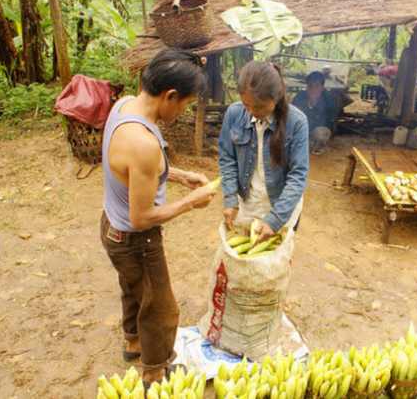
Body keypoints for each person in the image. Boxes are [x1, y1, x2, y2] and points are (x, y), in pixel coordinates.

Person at [100, 48, 217, 386]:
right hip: (136, 239)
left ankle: (133, 343)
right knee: (161, 308)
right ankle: (154, 371)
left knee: (133, 287)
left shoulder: (124, 106)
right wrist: (191, 202)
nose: (184, 111)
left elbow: (132, 170)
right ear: (170, 96)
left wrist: (179, 176)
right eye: (186, 104)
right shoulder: (145, 143)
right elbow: (142, 217)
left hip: (111, 227)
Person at [219, 60, 309, 243]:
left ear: (276, 97)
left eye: (259, 106)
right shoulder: (234, 113)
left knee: (274, 263)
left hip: (282, 206)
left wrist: (274, 219)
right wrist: (230, 198)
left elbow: (298, 176)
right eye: (246, 104)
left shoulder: (297, 122)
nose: (252, 111)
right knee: (247, 260)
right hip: (248, 203)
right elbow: (227, 159)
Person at [291, 71, 335, 156]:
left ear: (322, 88)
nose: (313, 89)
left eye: (317, 86)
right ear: (307, 87)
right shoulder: (299, 97)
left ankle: (318, 147)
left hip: (317, 128)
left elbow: (327, 120)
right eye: (310, 86)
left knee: (321, 133)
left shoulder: (327, 100)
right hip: (300, 128)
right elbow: (292, 114)